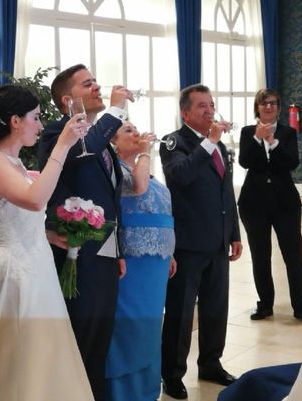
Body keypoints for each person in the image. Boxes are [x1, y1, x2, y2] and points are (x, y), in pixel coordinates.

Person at [0, 84, 94, 401]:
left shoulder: (13, 165)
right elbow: (34, 200)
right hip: (13, 274)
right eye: (36, 117)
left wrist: (49, 234)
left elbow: (24, 215)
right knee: (13, 355)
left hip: (36, 265)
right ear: (16, 121)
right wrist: (63, 146)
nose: (40, 126)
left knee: (41, 352)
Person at [38, 64, 133, 400]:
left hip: (104, 254)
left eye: (97, 80)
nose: (97, 87)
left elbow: (111, 200)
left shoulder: (102, 141)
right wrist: (116, 110)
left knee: (100, 339)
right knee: (81, 337)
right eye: (87, 84)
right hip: (75, 256)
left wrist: (117, 250)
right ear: (67, 100)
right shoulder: (54, 134)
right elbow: (81, 152)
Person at [159, 84, 242, 400]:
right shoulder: (173, 142)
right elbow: (179, 175)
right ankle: (172, 373)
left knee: (215, 308)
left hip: (218, 241)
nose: (209, 110)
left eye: (211, 104)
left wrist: (233, 233)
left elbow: (226, 192)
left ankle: (211, 364)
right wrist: (208, 143)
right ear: (185, 112)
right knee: (180, 314)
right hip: (188, 243)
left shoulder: (217, 144)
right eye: (201, 106)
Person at [105, 121, 177, 401]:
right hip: (133, 258)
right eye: (128, 131)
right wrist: (146, 152)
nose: (136, 134)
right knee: (130, 323)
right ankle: (123, 391)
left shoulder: (142, 167)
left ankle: (148, 389)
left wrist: (169, 252)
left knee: (149, 326)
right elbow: (139, 186)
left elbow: (163, 211)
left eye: (136, 130)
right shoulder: (115, 169)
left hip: (156, 262)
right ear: (113, 143)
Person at [238, 88, 302, 326]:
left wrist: (272, 142)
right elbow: (245, 161)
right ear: (258, 107)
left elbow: (291, 163)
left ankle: (301, 307)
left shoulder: (287, 133)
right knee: (260, 255)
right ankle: (265, 305)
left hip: (286, 203)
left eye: (273, 103)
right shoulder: (246, 132)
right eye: (264, 103)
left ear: (279, 107)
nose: (269, 107)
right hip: (254, 203)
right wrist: (256, 138)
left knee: (294, 256)